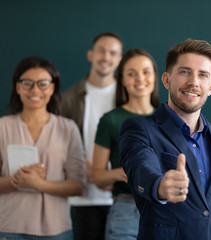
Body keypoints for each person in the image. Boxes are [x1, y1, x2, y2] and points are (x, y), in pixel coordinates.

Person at [118, 39, 211, 240]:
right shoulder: (139, 129)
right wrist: (159, 186)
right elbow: (139, 167)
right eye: (185, 71)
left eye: (202, 75)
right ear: (167, 80)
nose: (194, 82)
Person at [0, 57, 86, 239]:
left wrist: (40, 185)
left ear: (52, 88)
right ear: (17, 88)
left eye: (43, 83)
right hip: (10, 227)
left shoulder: (68, 128)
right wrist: (15, 180)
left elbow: (78, 186)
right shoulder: (2, 127)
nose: (35, 90)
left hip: (56, 229)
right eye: (27, 83)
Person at [92, 48, 160, 240]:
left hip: (162, 209)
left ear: (155, 76)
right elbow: (97, 176)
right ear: (121, 79)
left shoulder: (167, 119)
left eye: (146, 72)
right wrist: (120, 173)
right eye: (131, 74)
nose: (140, 79)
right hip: (125, 209)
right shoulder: (111, 120)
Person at [61, 32, 123, 240]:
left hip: (122, 194)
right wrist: (85, 167)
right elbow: (59, 142)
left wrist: (111, 175)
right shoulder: (69, 98)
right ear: (90, 55)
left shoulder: (126, 96)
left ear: (119, 60)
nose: (106, 57)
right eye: (101, 51)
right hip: (85, 196)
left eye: (112, 53)